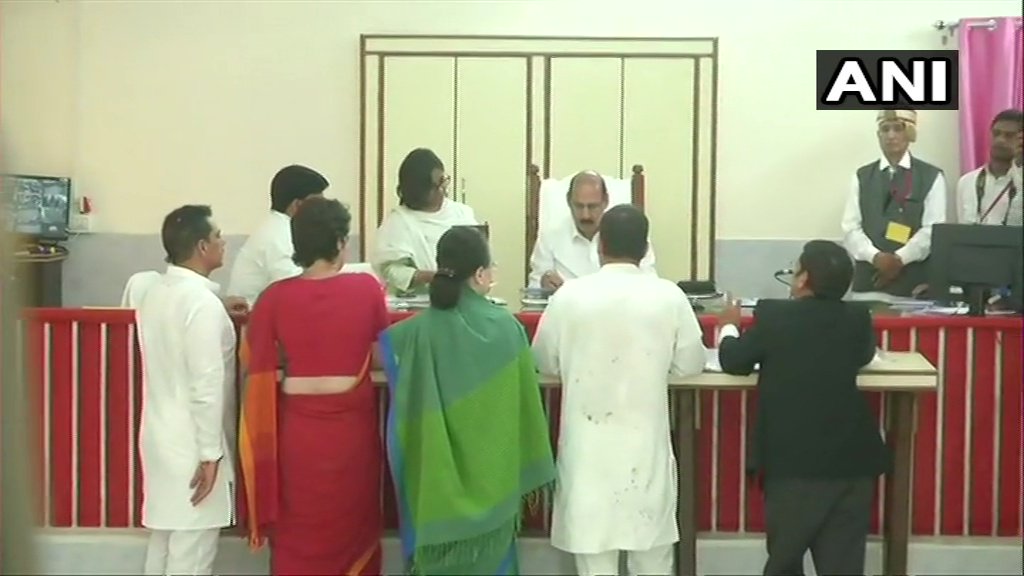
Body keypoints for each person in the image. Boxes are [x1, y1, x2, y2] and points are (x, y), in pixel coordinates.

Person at [531, 204, 705, 576]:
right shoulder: (669, 296)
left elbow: (544, 360)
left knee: (594, 562)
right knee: (652, 559)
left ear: (599, 245)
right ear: (645, 250)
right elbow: (690, 364)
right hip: (645, 451)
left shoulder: (570, 296)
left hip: (588, 451)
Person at [379, 226, 555, 575]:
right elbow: (524, 405)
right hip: (495, 484)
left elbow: (382, 352)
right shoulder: (507, 329)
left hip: (436, 489)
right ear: (479, 274)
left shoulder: (415, 333)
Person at [716, 240, 890, 576]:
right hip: (852, 465)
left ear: (803, 279)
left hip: (794, 467)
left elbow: (734, 360)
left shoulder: (775, 316)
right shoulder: (856, 318)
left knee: (783, 564)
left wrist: (728, 325)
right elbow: (864, 355)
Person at [239, 197, 387, 575]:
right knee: (351, 526)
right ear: (340, 242)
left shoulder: (273, 298)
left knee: (298, 532)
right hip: (351, 435)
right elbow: (384, 354)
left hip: (297, 437)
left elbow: (253, 362)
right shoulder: (366, 288)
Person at [136, 205, 237, 576]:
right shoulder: (201, 305)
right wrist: (211, 455)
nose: (223, 242)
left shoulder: (155, 293)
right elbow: (205, 385)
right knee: (191, 555)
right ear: (200, 247)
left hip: (160, 436)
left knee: (163, 545)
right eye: (217, 237)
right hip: (193, 445)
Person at [841, 109, 947, 300]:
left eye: (898, 129)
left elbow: (933, 230)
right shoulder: (862, 176)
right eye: (885, 129)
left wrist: (900, 259)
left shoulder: (931, 176)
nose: (891, 135)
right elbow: (850, 228)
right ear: (878, 135)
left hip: (912, 286)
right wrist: (876, 257)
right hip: (869, 284)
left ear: (910, 133)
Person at [373, 148, 478, 295]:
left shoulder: (462, 213)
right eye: (437, 186)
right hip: (418, 303)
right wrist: (431, 277)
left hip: (463, 299)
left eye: (444, 181)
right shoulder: (398, 222)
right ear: (418, 191)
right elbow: (391, 271)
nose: (444, 190)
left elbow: (482, 259)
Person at [528, 170, 656, 291]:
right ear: (568, 202)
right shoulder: (550, 235)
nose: (585, 215)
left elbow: (649, 282)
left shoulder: (629, 232)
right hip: (567, 310)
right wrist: (542, 285)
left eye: (592, 207)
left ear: (605, 202)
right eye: (579, 206)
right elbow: (533, 288)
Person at [227, 164, 330, 306]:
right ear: (297, 205)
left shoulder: (279, 228)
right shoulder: (278, 236)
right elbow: (296, 291)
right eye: (317, 204)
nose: (322, 211)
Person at [958, 109, 1023, 226]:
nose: (1000, 140)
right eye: (996, 133)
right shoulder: (967, 182)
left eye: (1009, 136)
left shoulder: (1020, 183)